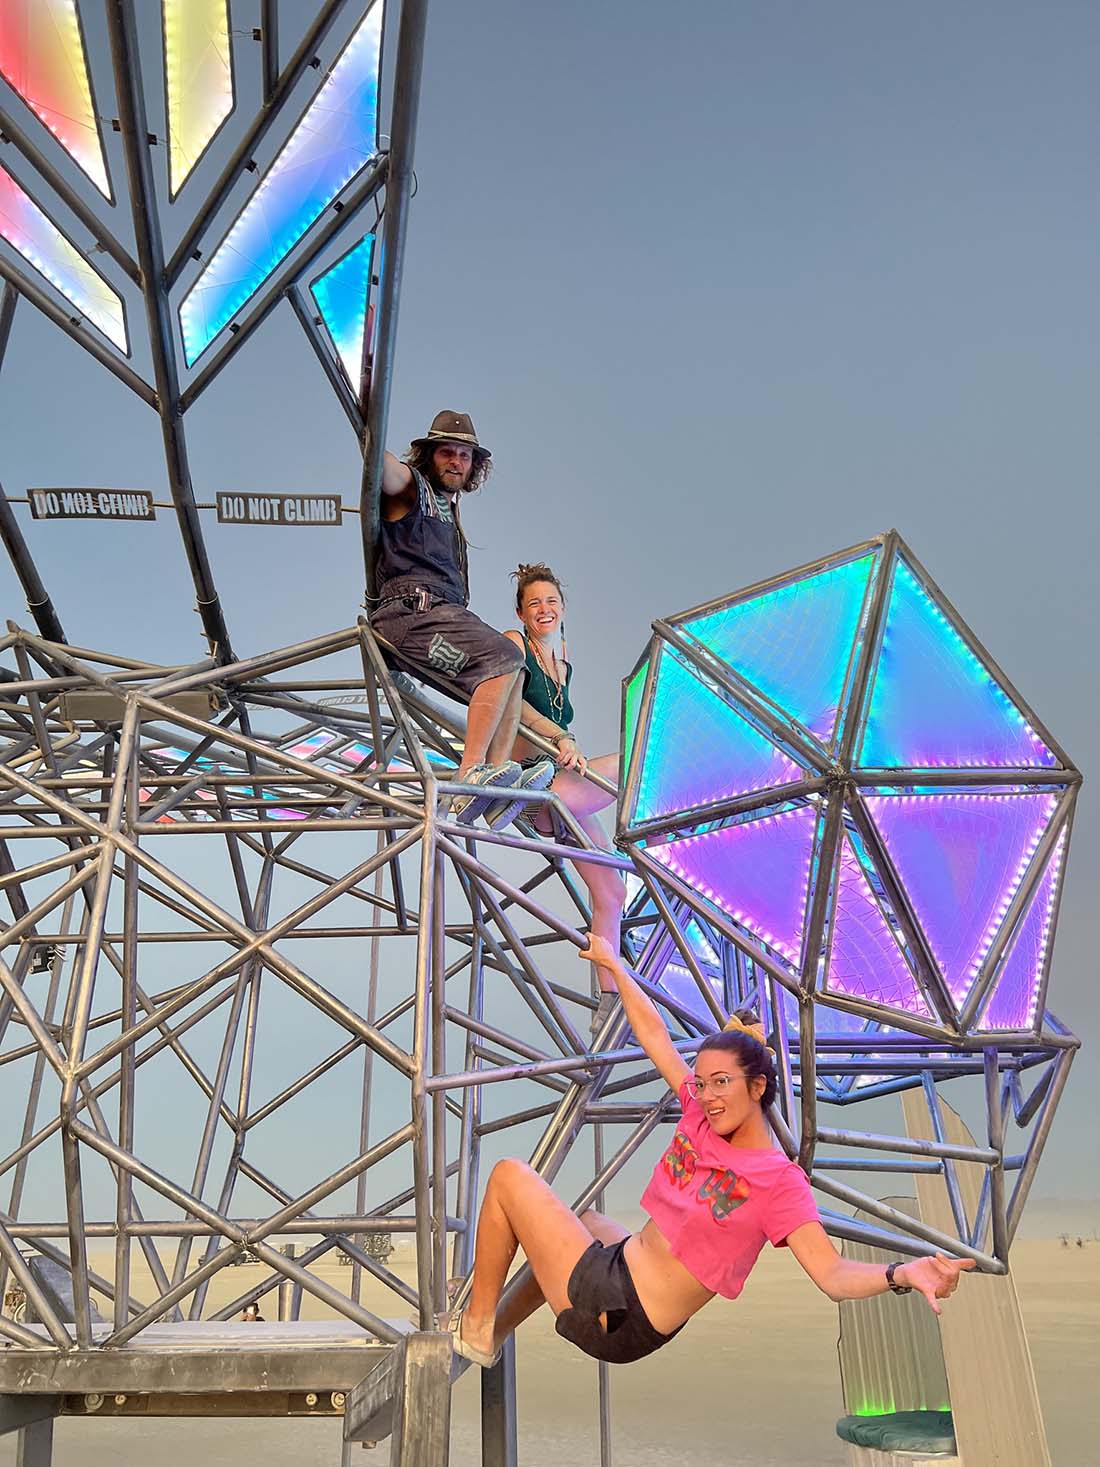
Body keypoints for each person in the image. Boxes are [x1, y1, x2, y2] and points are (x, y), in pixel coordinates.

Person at [448, 933, 975, 1368]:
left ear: (758, 1087)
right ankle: (495, 1328)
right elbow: (653, 1034)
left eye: (722, 1083)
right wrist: (614, 964)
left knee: (508, 1177)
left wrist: (902, 1274)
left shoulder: (777, 1181)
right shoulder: (700, 1112)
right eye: (701, 1083)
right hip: (627, 1283)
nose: (707, 1095)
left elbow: (833, 1276)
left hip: (620, 1313)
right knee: (585, 1220)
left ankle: (475, 1325)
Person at [370, 412, 554, 821]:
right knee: (503, 657)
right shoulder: (412, 489)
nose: (455, 461)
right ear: (428, 456)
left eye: (464, 455)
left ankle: (493, 786)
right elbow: (383, 471)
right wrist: (367, 423)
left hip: (437, 615)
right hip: (409, 617)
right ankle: (471, 776)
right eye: (447, 453)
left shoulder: (449, 514)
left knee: (515, 670)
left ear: (474, 465)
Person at [502, 564, 626, 1028]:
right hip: (532, 785)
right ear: (521, 612)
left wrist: (566, 748)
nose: (544, 609)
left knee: (612, 889)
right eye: (534, 603)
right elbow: (512, 707)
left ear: (563, 608)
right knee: (635, 758)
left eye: (551, 601)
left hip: (560, 786)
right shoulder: (515, 645)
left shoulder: (564, 659)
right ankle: (670, 821)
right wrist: (562, 738)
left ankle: (609, 998)